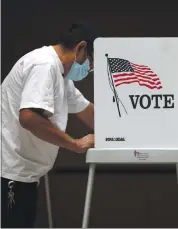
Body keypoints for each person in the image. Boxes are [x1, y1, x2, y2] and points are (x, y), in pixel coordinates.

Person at [1, 22, 98, 228]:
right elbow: (28, 117)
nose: (88, 70)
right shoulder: (44, 65)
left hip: (25, 175)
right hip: (10, 176)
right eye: (90, 63)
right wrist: (76, 144)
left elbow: (87, 111)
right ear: (80, 48)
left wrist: (127, 130)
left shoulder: (61, 75)